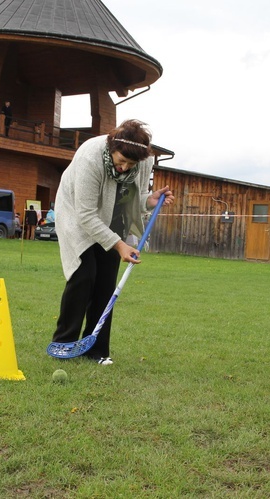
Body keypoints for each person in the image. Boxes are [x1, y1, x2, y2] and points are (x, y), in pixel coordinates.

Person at [49, 119, 174, 365]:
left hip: (114, 215)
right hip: (77, 213)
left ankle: (96, 348)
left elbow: (133, 197)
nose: (125, 168)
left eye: (131, 164)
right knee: (84, 275)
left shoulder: (144, 161)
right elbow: (85, 214)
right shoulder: (90, 157)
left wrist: (149, 200)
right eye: (121, 161)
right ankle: (64, 343)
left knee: (106, 283)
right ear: (111, 147)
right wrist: (119, 244)